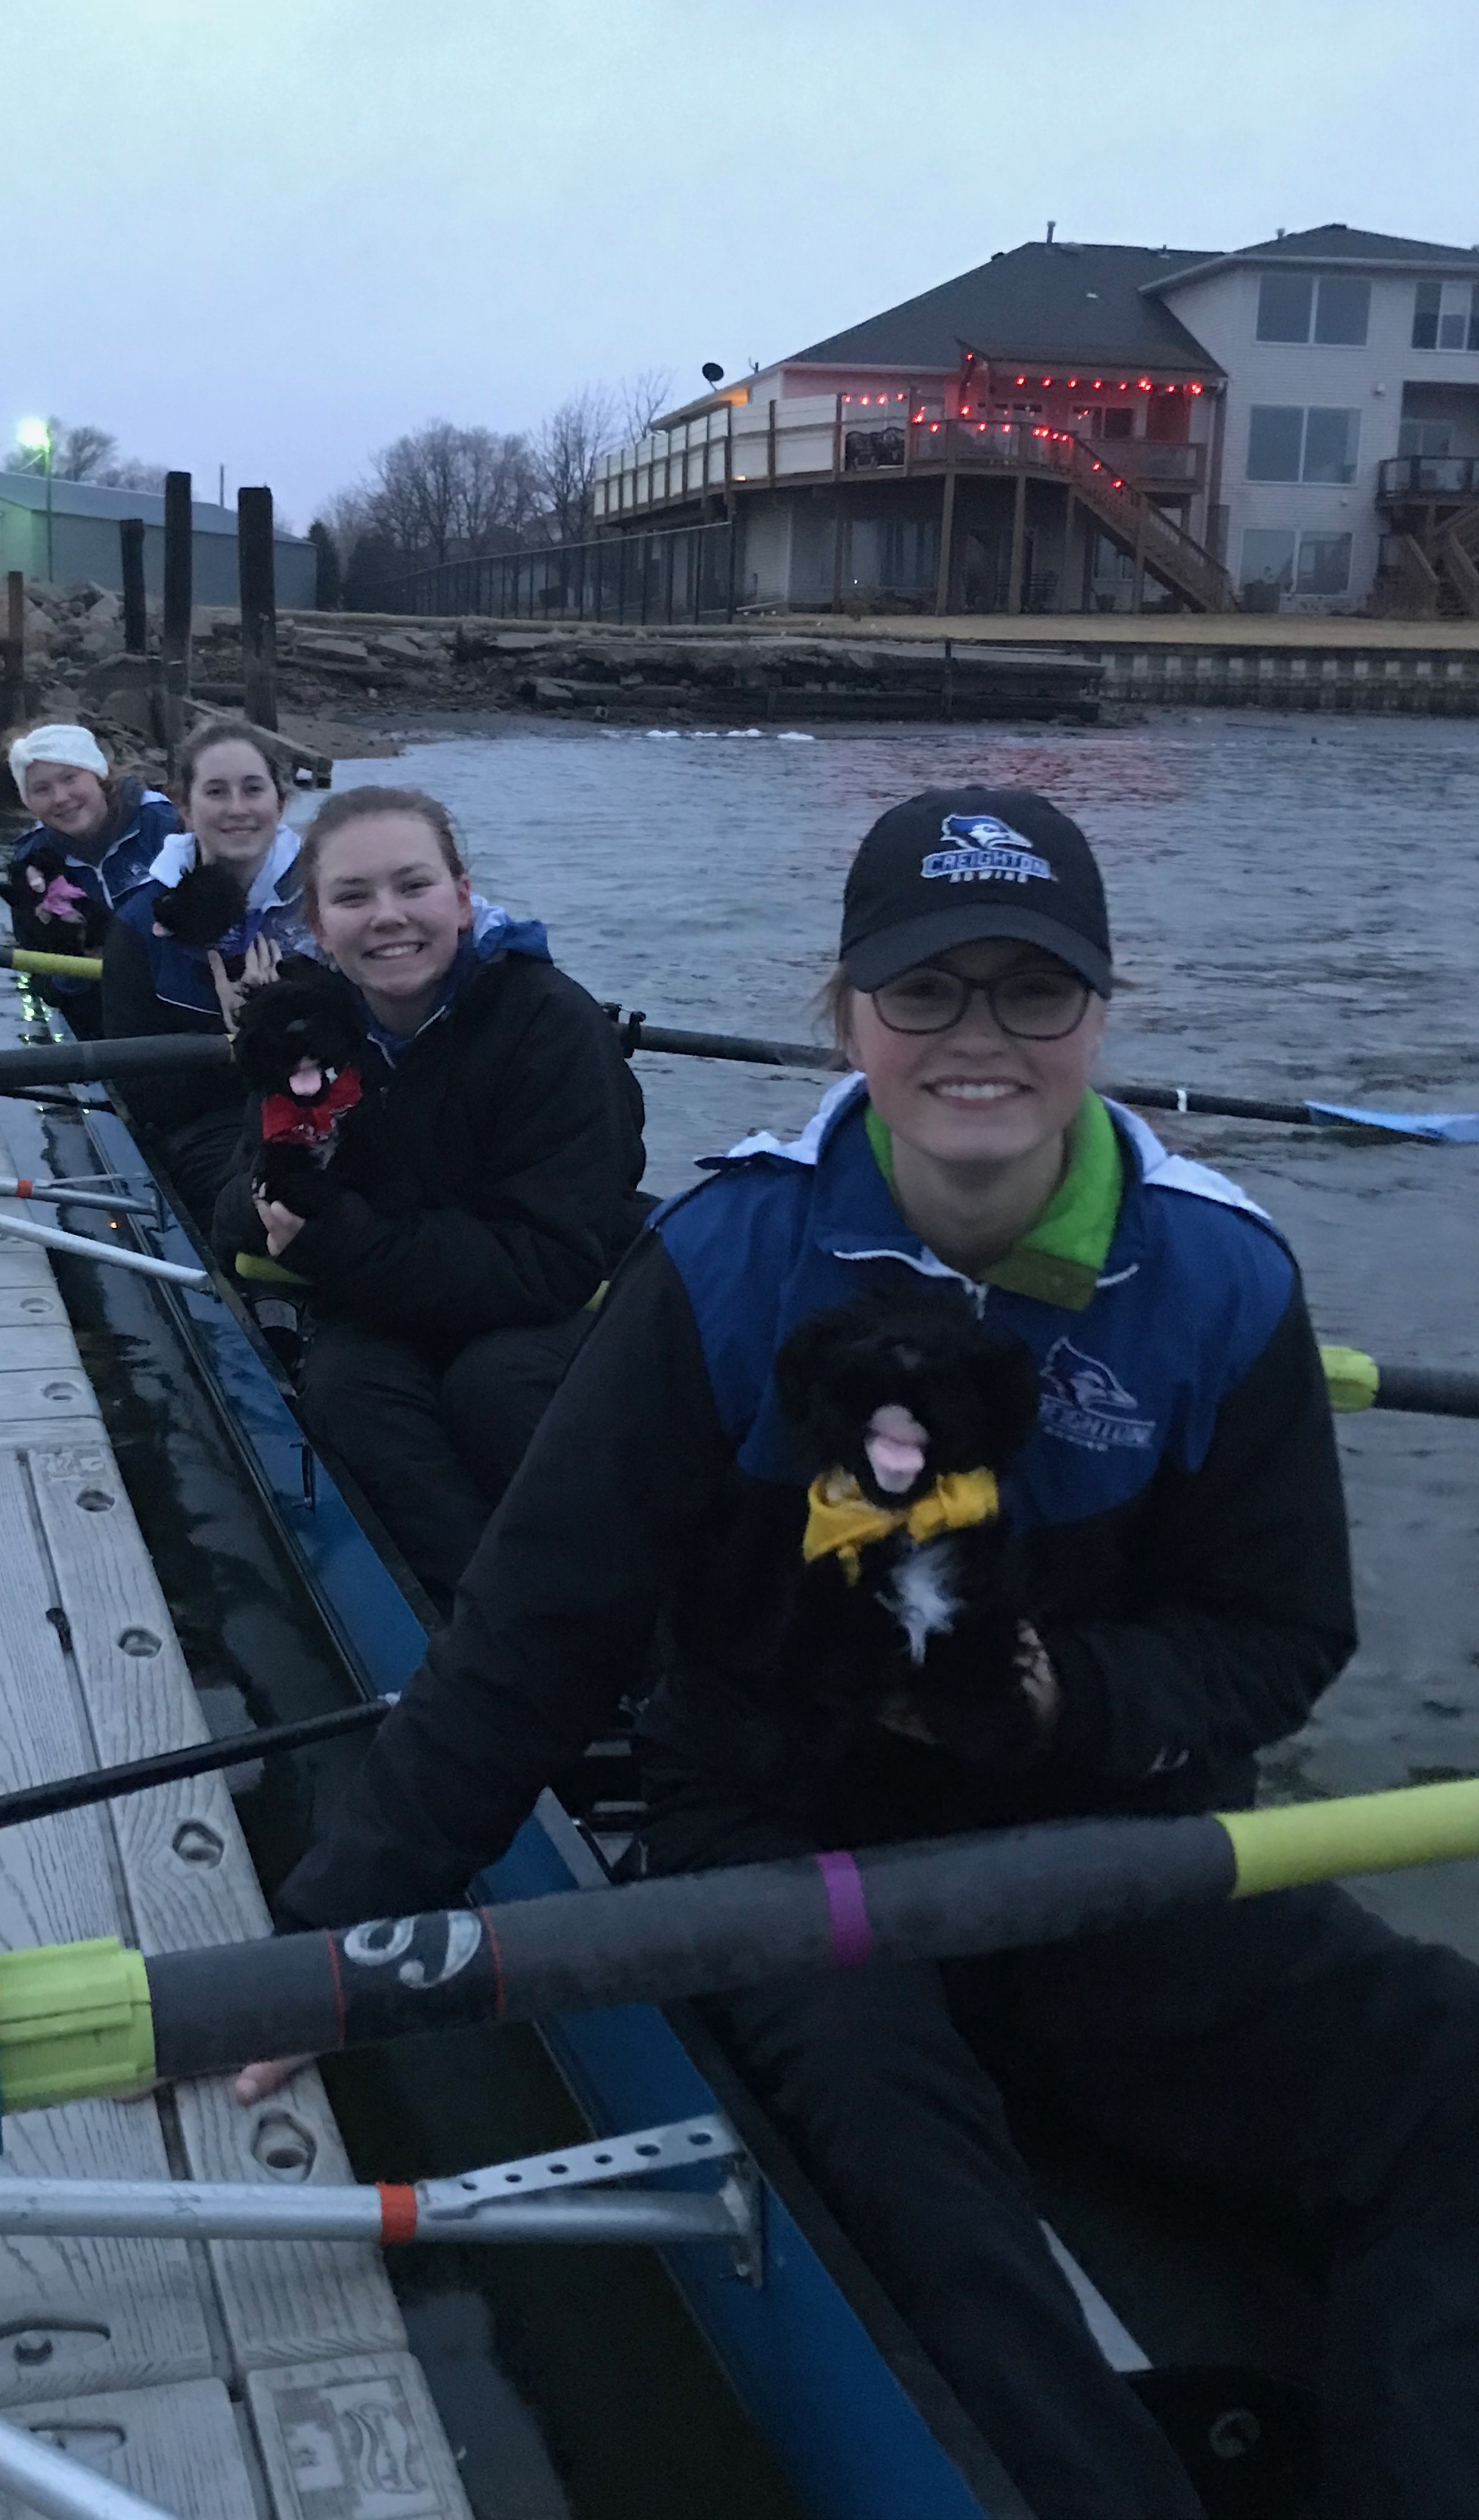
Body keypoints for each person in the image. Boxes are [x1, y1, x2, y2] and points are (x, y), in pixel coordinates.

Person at [251, 788, 1479, 2520]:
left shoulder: (1219, 1277)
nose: (979, 1042)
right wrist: (327, 1946)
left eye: (1031, 994)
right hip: (789, 1849)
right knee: (924, 2196)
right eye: (926, 994)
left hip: (1090, 1844)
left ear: (1103, 1014)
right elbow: (537, 1635)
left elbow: (1280, 1637)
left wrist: (1073, 1696)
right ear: (847, 1014)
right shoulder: (729, 1261)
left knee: (1451, 2077)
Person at [213, 783, 648, 1615]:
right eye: (352, 896)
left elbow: (551, 1259)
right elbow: (242, 1186)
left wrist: (334, 1239)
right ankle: (484, 1623)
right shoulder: (308, 1025)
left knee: (495, 1386)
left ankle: (603, 1617)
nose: (386, 916)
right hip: (403, 1289)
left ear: (461, 894)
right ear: (315, 917)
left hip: (554, 1298)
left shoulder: (552, 1025)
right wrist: (274, 1207)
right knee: (346, 1385)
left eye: (412, 887)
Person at [99, 723, 311, 1214]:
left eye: (253, 790)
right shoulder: (139, 924)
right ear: (186, 809)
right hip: (211, 1128)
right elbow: (143, 1091)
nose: (237, 809)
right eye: (216, 792)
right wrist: (240, 1040)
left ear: (280, 804)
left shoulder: (331, 899)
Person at [1, 723, 180, 1037]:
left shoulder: (163, 824)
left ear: (98, 774)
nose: (60, 798)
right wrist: (76, 967)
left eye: (70, 778)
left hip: (177, 996)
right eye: (42, 789)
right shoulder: (29, 867)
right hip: (100, 1015)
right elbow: (45, 982)